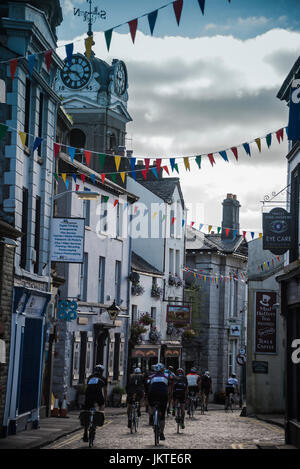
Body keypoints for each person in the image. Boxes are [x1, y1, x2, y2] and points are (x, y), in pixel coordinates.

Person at [83, 364, 107, 442]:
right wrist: (105, 400)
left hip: (89, 394)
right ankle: (99, 418)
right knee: (102, 405)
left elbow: (87, 387)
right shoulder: (103, 378)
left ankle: (85, 432)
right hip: (98, 395)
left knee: (87, 412)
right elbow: (105, 391)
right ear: (102, 372)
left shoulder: (90, 377)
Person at [147, 363, 169, 440]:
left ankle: (151, 415)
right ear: (162, 370)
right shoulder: (166, 376)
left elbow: (148, 385)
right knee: (162, 416)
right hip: (163, 395)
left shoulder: (151, 376)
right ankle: (162, 433)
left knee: (150, 404)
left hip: (152, 394)